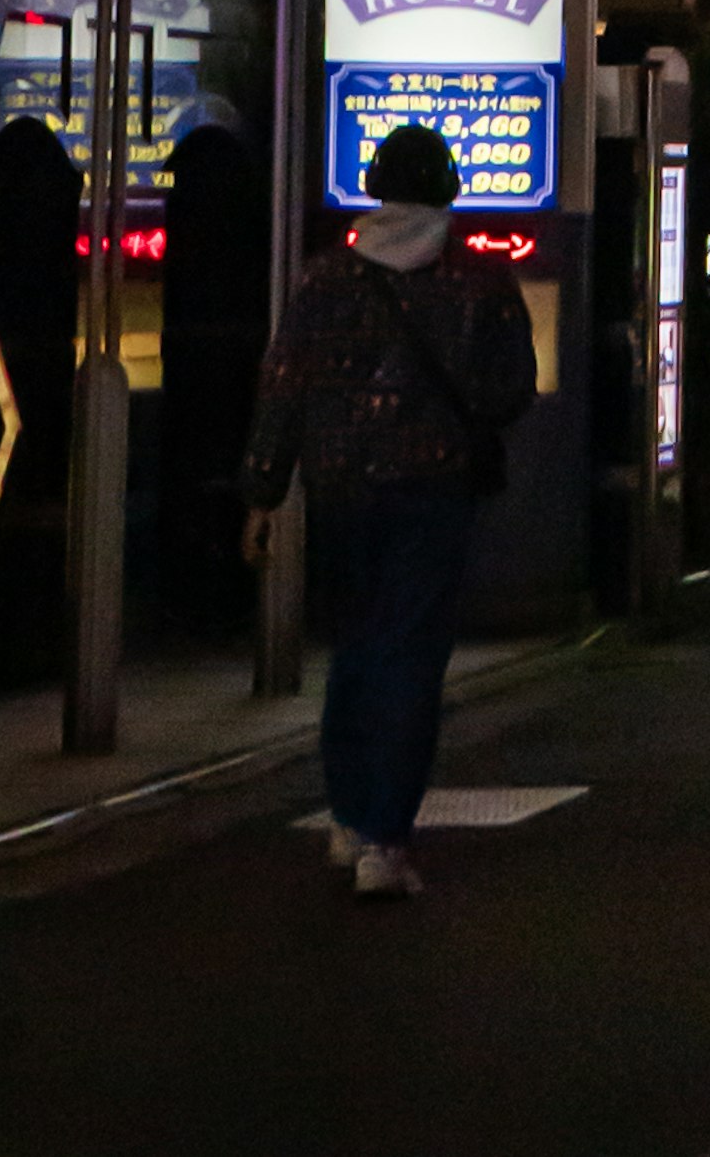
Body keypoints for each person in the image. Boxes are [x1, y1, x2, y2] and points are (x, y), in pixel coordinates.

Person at [241, 121, 539, 898]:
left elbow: (283, 385)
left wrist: (264, 491)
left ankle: (345, 816)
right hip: (433, 490)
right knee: (411, 654)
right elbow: (511, 389)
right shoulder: (478, 283)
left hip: (340, 488)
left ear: (374, 186)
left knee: (355, 646)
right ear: (447, 189)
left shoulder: (323, 280)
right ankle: (384, 837)